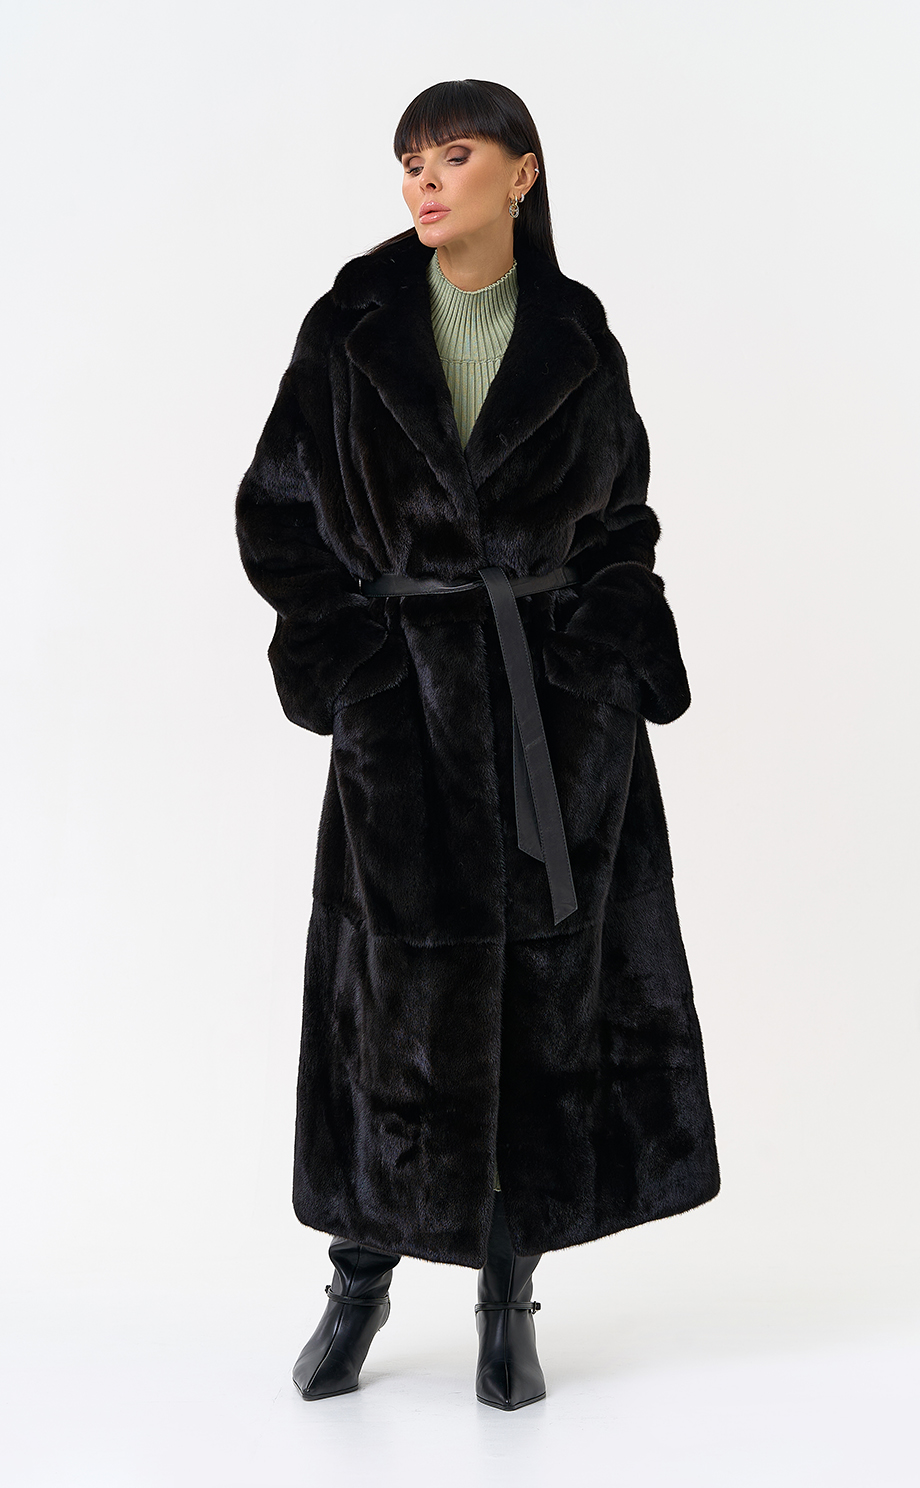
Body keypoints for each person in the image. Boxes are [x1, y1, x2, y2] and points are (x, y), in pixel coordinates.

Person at [235, 78, 720, 1411]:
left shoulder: (576, 337)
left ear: (523, 172)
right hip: (405, 714)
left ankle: (510, 1293)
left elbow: (620, 523)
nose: (426, 183)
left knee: (542, 1003)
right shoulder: (350, 331)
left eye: (453, 155)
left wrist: (602, 658)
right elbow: (278, 514)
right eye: (410, 163)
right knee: (385, 1005)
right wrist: (356, 672)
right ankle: (359, 1279)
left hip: (554, 713)